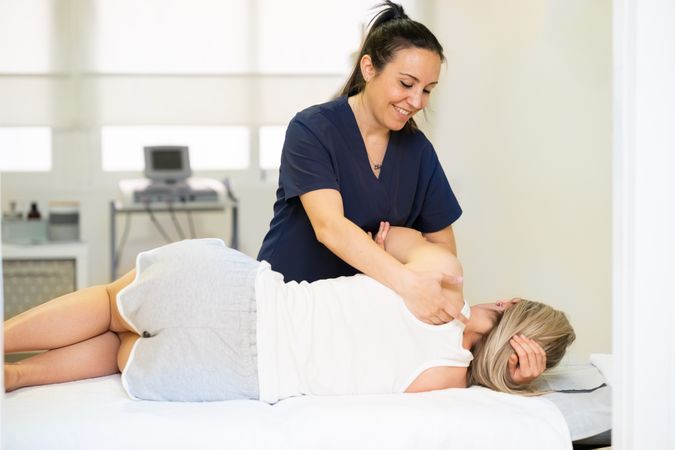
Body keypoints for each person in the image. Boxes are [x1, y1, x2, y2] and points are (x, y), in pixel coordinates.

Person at [4, 226, 575, 402]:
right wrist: (507, 378)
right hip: (238, 375)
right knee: (116, 352)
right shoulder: (450, 380)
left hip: (246, 296)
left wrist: (392, 244)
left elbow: (397, 238)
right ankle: (16, 376)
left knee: (112, 305)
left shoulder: (441, 275)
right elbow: (474, 383)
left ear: (507, 303)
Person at [257, 1, 465, 325]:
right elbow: (330, 227)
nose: (416, 101)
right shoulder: (313, 129)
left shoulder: (418, 152)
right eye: (407, 84)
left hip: (353, 318)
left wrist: (400, 249)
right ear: (369, 69)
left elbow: (443, 251)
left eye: (427, 90)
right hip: (286, 302)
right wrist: (406, 280)